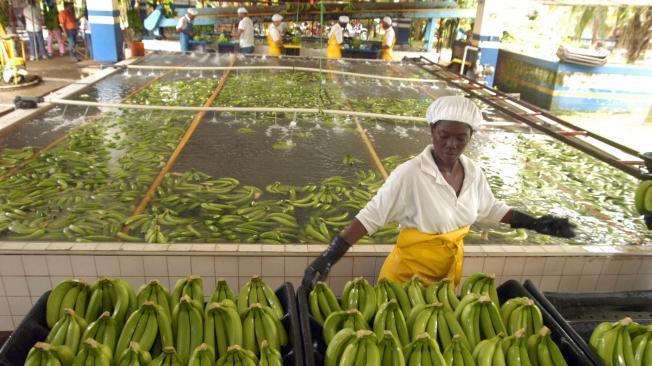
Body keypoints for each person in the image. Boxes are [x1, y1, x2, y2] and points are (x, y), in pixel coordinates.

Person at [302, 96, 576, 290]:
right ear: (432, 130)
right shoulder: (410, 174)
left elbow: (491, 209)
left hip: (446, 278)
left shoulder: (473, 173)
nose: (451, 144)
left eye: (461, 138)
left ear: (471, 136)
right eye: (444, 134)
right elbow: (370, 217)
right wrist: (328, 257)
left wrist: (537, 223)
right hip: (404, 281)